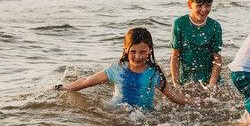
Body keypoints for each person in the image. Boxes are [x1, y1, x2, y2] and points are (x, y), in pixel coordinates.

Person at [56, 27, 197, 110]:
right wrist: (62, 88)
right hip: (116, 113)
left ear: (150, 50)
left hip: (144, 117)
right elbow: (87, 81)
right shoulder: (117, 69)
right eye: (133, 51)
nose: (137, 56)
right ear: (125, 49)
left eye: (142, 52)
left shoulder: (154, 73)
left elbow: (172, 96)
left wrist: (197, 102)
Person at [170, 0, 223, 89]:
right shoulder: (179, 24)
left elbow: (217, 58)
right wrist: (176, 83)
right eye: (199, 6)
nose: (204, 10)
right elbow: (175, 56)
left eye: (207, 5)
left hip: (210, 78)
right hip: (186, 79)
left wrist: (211, 85)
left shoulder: (215, 26)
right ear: (189, 5)